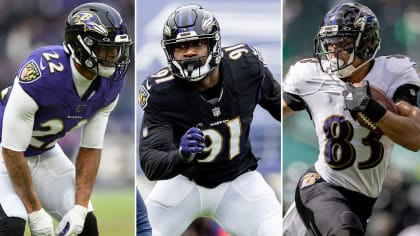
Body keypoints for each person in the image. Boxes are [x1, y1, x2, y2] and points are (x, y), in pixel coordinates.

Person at [138, 4, 281, 236]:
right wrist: (181, 155)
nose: (189, 52)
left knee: (275, 230)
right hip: (183, 183)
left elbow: (280, 106)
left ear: (214, 44)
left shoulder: (246, 67)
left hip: (239, 181)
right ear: (169, 52)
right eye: (180, 46)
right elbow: (151, 164)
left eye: (197, 43)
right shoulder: (161, 91)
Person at [282, 2, 420, 236]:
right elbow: (274, 110)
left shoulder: (393, 73)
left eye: (342, 43)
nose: (333, 50)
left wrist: (373, 110)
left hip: (360, 201)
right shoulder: (310, 75)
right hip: (321, 184)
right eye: (330, 42)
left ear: (366, 44)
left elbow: (415, 138)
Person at [0, 2, 133, 236]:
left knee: (86, 226)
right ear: (81, 47)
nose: (115, 57)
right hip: (4, 152)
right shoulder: (43, 73)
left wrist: (80, 208)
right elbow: (11, 151)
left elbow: (91, 148)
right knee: (13, 222)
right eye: (107, 49)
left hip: (42, 151)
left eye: (117, 49)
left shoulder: (110, 82)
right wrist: (35, 212)